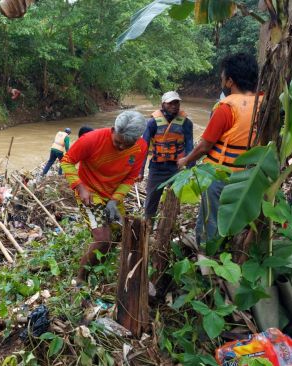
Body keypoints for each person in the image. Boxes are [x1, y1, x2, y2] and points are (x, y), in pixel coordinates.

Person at [177, 53, 259, 245]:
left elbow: (205, 146)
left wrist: (186, 160)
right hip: (251, 174)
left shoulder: (225, 108)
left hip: (221, 174)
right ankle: (234, 247)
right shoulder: (264, 103)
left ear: (230, 81)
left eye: (222, 77)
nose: (221, 80)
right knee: (240, 214)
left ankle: (205, 257)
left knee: (210, 218)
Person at [61, 111, 148, 284]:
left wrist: (114, 201)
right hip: (90, 193)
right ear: (113, 130)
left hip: (113, 195)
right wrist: (80, 187)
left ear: (137, 139)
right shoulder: (92, 139)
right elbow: (67, 160)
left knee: (119, 234)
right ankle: (81, 278)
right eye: (118, 142)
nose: (121, 148)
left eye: (127, 144)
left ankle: (99, 264)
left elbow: (130, 177)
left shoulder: (141, 147)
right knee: (103, 238)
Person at [139, 91, 194, 222]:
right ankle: (148, 226)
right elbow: (143, 147)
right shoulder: (152, 123)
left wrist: (191, 168)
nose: (174, 106)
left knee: (173, 202)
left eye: (176, 103)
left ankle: (168, 226)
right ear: (163, 104)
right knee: (151, 200)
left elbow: (190, 146)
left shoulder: (186, 123)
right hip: (157, 168)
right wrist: (140, 171)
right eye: (170, 103)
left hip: (177, 168)